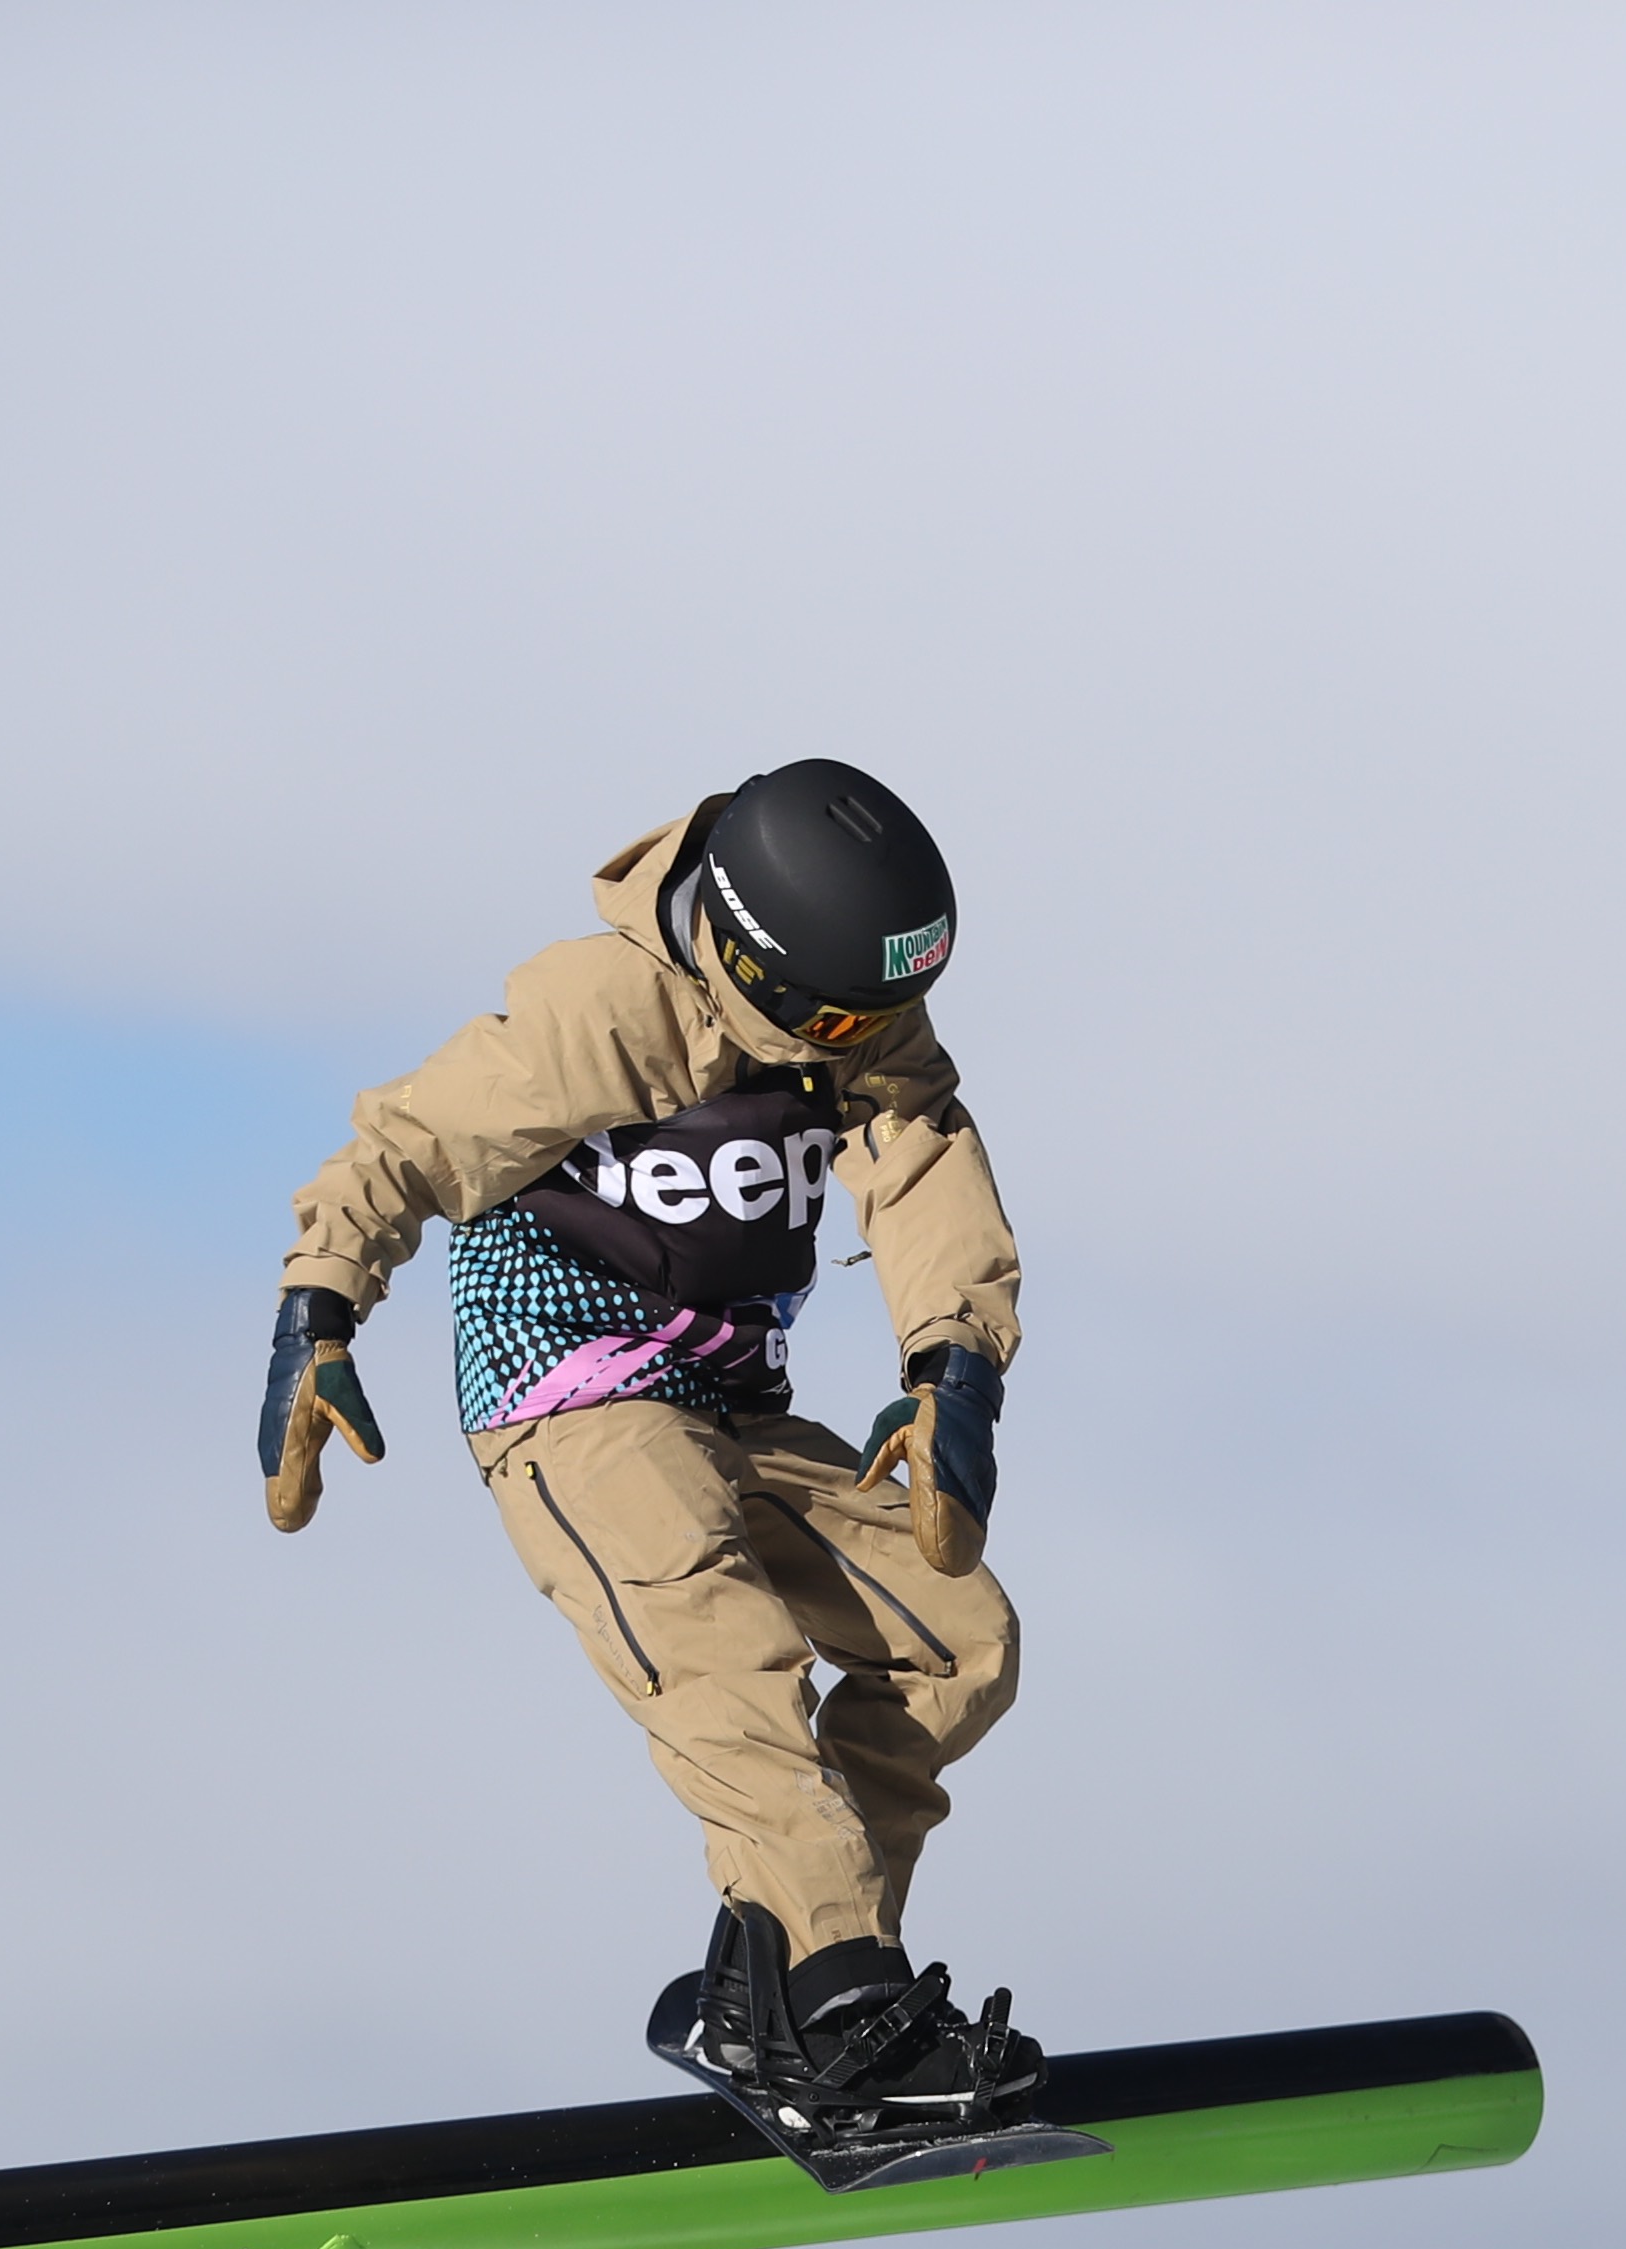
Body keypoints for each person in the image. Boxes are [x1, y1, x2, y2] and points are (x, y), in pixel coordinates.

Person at [255, 759, 1048, 2141]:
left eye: (889, 1014)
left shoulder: (870, 1036)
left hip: (731, 1398)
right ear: (749, 963)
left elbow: (922, 1170)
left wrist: (953, 1361)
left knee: (954, 1641)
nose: (868, 1045)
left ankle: (775, 1993)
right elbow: (406, 1147)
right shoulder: (601, 1010)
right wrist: (320, 1305)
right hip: (566, 1394)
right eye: (849, 1020)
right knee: (720, 1644)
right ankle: (841, 1985)